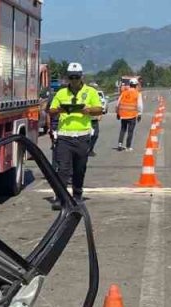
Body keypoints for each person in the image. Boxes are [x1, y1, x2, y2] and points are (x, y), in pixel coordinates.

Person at [47, 62, 103, 208]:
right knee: (63, 169)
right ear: (68, 78)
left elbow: (99, 109)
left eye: (76, 77)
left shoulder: (90, 92)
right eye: (71, 77)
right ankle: (61, 197)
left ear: (81, 77)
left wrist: (88, 110)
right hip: (64, 136)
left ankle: (77, 195)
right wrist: (59, 110)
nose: (74, 80)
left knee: (79, 168)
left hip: (82, 136)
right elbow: (51, 111)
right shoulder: (61, 93)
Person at [114, 78, 143, 151]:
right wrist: (139, 114)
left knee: (123, 130)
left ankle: (120, 144)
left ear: (130, 84)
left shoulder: (124, 92)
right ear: (136, 85)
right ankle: (128, 146)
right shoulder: (137, 93)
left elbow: (118, 104)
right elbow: (139, 105)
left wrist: (118, 113)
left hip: (123, 115)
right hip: (132, 115)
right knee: (130, 131)